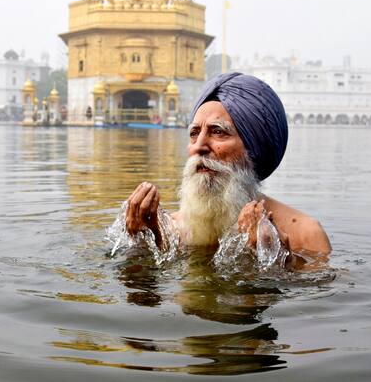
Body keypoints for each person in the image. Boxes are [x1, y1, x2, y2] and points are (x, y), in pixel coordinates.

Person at [124, 72, 331, 260]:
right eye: (194, 133)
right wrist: (145, 243)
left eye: (218, 132)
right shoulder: (170, 229)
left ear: (253, 148)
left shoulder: (304, 234)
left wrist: (280, 263)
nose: (199, 146)